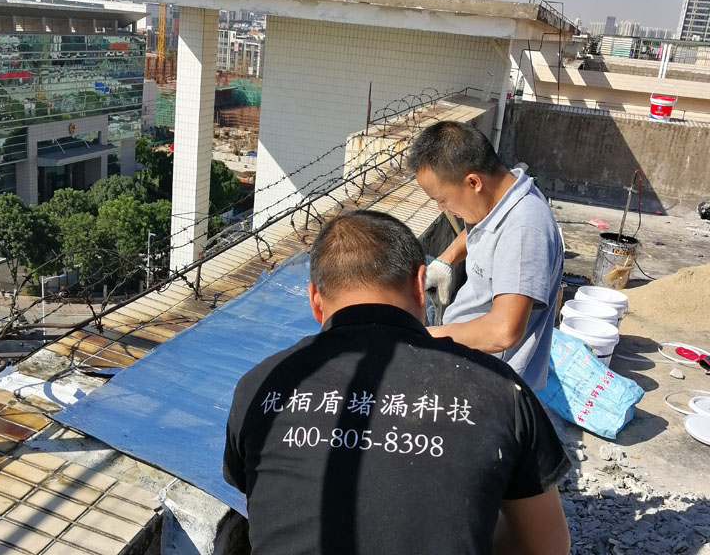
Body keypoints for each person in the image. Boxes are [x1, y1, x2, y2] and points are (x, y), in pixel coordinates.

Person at [223, 210, 570, 555]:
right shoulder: (500, 390)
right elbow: (547, 546)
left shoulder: (259, 386)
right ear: (420, 286)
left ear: (315, 301)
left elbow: (264, 501)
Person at [411, 121, 564, 390]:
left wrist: (423, 336)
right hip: (467, 353)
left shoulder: (524, 230)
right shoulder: (503, 192)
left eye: (443, 199)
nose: (442, 208)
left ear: (473, 182)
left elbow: (504, 330)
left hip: (489, 381)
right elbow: (484, 225)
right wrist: (447, 259)